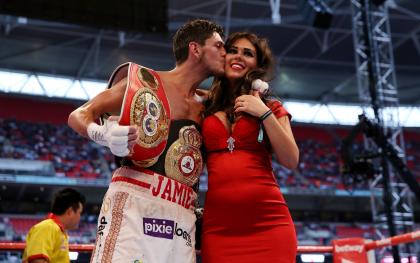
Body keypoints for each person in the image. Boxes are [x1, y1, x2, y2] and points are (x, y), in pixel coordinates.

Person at [67, 19, 226, 263]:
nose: (225, 53)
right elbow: (79, 115)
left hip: (183, 216)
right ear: (195, 49)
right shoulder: (145, 83)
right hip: (135, 205)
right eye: (218, 46)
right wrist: (105, 135)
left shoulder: (209, 105)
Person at [201, 32, 299, 262]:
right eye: (233, 50)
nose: (238, 56)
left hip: (270, 225)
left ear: (257, 64)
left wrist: (263, 113)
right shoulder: (203, 106)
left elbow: (291, 159)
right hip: (219, 229)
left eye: (248, 53)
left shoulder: (272, 108)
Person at [22, 188, 85, 263]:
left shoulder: (56, 230)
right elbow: (38, 261)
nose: (80, 217)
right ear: (70, 212)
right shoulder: (46, 227)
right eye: (79, 213)